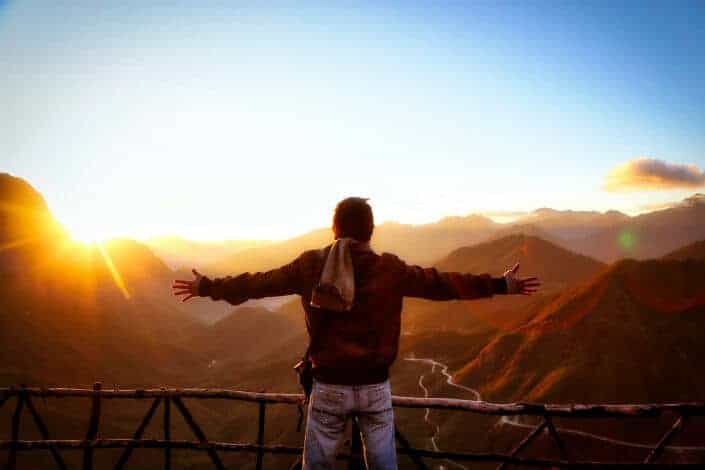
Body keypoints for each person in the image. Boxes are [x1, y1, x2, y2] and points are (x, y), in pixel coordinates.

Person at [172, 197, 540, 470]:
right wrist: (500, 285)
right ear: (371, 231)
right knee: (383, 465)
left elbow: (258, 284)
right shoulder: (389, 269)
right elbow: (442, 284)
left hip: (328, 386)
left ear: (334, 230)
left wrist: (207, 286)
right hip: (375, 387)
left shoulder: (310, 266)